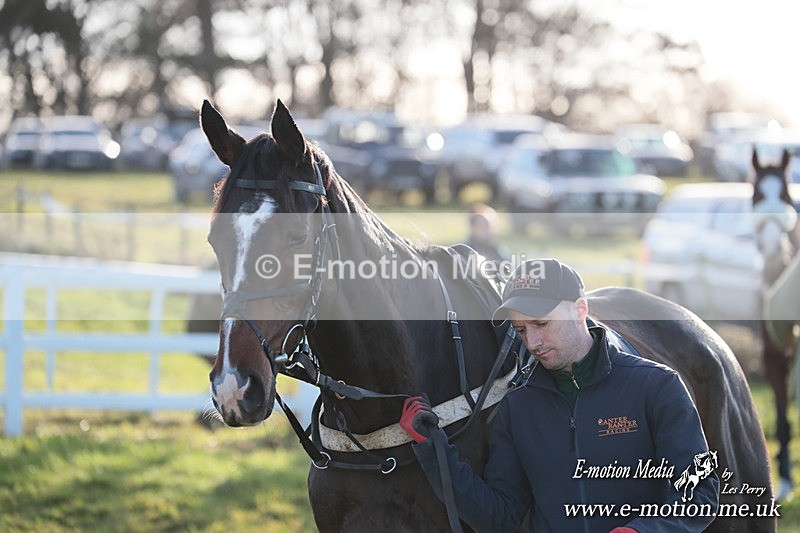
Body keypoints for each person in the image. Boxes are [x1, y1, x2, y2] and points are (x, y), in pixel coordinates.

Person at [400, 258, 719, 532]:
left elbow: (701, 493)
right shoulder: (518, 407)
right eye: (522, 330)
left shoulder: (657, 387)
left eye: (541, 323)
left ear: (580, 309)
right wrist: (433, 448)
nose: (533, 342)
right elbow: (499, 518)